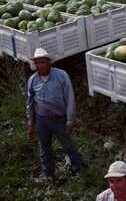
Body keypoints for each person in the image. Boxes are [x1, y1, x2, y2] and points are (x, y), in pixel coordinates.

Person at [26, 48, 83, 179]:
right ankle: (48, 174)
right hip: (41, 120)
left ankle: (78, 168)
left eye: (43, 62)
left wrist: (69, 120)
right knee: (44, 148)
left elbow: (70, 98)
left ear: (49, 62)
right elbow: (30, 102)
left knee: (68, 145)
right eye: (37, 63)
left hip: (59, 119)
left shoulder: (61, 76)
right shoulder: (33, 80)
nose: (40, 65)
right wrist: (31, 122)